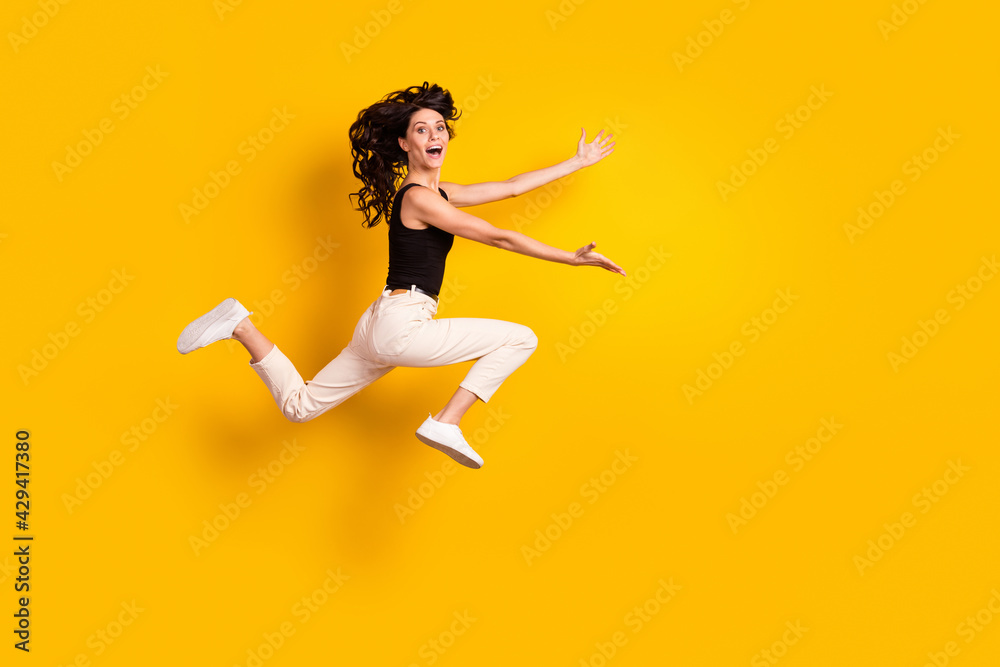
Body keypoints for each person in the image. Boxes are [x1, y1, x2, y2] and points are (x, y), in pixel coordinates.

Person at [176, 81, 624, 469]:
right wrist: (569, 258)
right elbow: (497, 237)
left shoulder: (440, 192)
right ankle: (446, 422)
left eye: (440, 128)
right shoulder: (419, 198)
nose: (434, 134)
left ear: (447, 139)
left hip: (380, 322)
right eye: (421, 129)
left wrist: (577, 163)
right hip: (401, 321)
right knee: (520, 338)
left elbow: (509, 186)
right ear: (406, 145)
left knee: (300, 407)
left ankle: (240, 324)